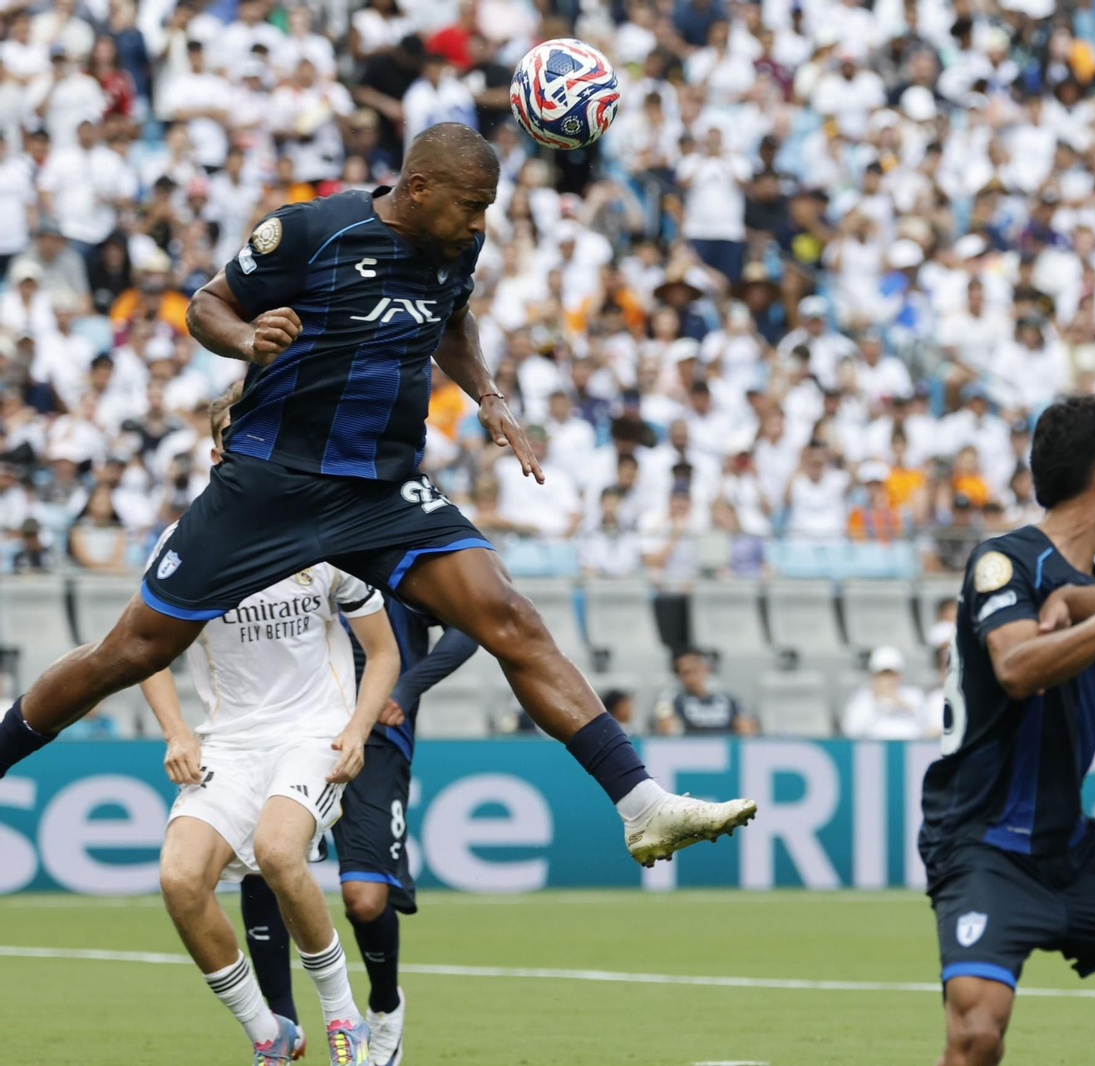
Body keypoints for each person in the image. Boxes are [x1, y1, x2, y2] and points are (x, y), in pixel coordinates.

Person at [0, 123, 756, 873]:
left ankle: (643, 807)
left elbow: (451, 321)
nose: (479, 224)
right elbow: (206, 306)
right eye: (471, 206)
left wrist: (489, 395)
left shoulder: (455, 245)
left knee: (510, 618)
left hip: (382, 487)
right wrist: (246, 340)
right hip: (273, 483)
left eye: (487, 209)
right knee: (132, 651)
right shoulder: (311, 231)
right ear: (417, 188)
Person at [141, 386, 403, 1064]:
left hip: (312, 734)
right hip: (228, 745)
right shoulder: (183, 544)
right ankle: (269, 1034)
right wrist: (177, 732)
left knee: (280, 852)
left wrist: (356, 728)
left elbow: (383, 651)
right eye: (240, 437)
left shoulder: (325, 532)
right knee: (179, 879)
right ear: (218, 454)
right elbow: (142, 651)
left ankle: (343, 1019)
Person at [919, 395, 1095, 1066]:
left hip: (1071, 851)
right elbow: (1016, 667)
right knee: (976, 1035)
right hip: (983, 844)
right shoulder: (1005, 562)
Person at [241, 591, 482, 1066]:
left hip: (376, 735)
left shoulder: (395, 562)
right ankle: (280, 1027)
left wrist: (407, 689)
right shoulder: (295, 560)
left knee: (365, 899)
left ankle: (385, 1005)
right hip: (289, 731)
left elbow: (468, 625)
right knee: (267, 861)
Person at [653, 647, 758, 735]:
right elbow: (665, 725)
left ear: (705, 669)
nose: (692, 677)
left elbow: (746, 725)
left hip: (725, 746)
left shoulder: (728, 698)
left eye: (695, 670)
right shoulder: (670, 698)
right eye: (686, 672)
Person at [839, 645, 934, 739]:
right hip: (876, 746)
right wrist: (874, 700)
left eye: (892, 674)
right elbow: (851, 730)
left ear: (900, 675)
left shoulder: (914, 695)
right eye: (883, 675)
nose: (888, 680)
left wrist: (902, 704)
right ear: (874, 676)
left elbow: (928, 728)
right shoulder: (863, 698)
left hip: (910, 746)